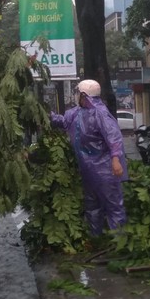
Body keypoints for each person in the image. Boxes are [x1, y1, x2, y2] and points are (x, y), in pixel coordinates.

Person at [49, 79, 129, 237]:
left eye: (78, 92)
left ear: (84, 95)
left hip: (105, 170)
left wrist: (115, 160)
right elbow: (63, 121)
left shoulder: (100, 113)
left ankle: (120, 243)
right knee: (92, 206)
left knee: (113, 206)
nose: (76, 95)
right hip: (88, 170)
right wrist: (45, 116)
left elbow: (114, 138)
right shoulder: (76, 113)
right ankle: (96, 239)